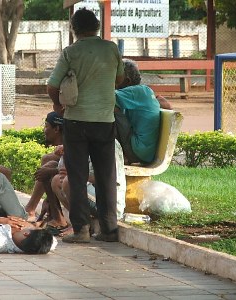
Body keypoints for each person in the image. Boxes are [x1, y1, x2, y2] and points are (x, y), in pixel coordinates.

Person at [47, 8, 125, 243]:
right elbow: (119, 78)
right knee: (106, 175)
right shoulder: (111, 48)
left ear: (74, 29)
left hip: (76, 121)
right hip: (104, 120)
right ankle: (110, 229)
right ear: (97, 26)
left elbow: (52, 85)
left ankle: (81, 230)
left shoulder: (71, 52)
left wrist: (57, 106)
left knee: (77, 175)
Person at [115, 59, 172, 165]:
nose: (113, 82)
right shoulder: (143, 91)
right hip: (144, 153)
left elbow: (105, 96)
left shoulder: (136, 92)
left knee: (110, 108)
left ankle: (115, 156)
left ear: (127, 80)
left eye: (115, 78)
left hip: (137, 151)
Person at [24, 111, 64, 221]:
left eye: (46, 126)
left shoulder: (69, 147)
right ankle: (31, 208)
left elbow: (74, 169)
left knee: (50, 167)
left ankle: (32, 209)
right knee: (47, 160)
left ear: (56, 129)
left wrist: (50, 172)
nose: (44, 131)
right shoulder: (61, 149)